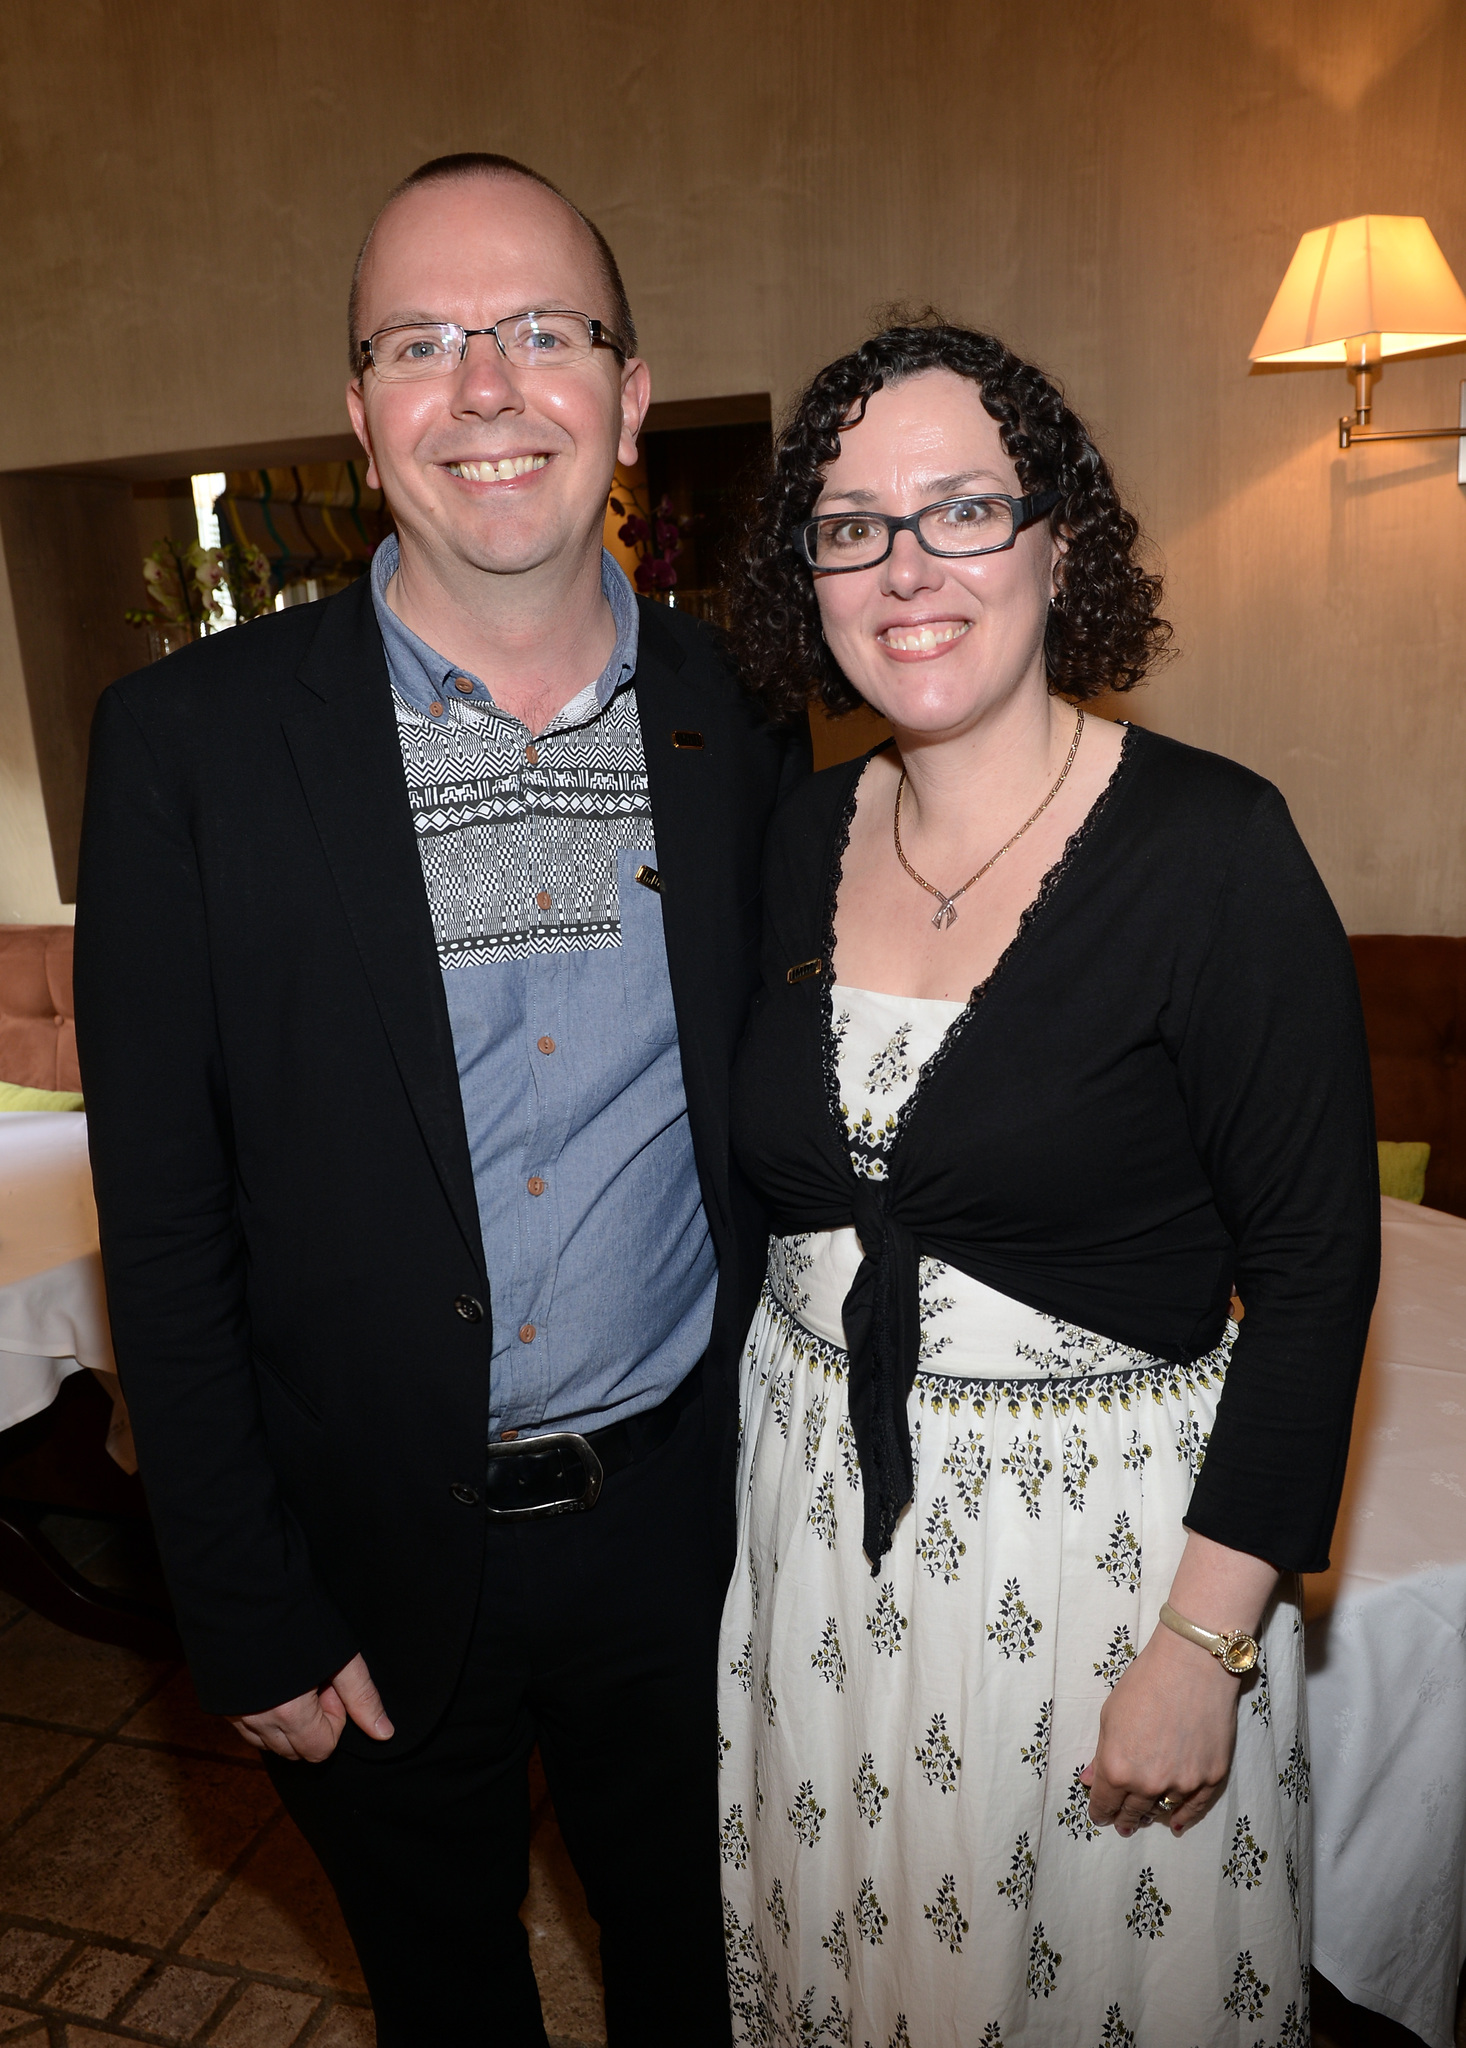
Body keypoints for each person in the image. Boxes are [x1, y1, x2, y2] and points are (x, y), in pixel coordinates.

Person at [74, 153, 805, 2046]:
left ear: (629, 399)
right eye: (422, 342)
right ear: (361, 413)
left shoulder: (743, 719)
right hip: (362, 1555)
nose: (486, 385)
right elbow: (158, 1215)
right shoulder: (187, 751)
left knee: (705, 1989)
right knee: (446, 2008)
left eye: (542, 331)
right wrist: (239, 1601)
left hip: (686, 1533)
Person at [715, 317, 1378, 2046]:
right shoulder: (802, 833)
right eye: (852, 523)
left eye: (960, 509)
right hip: (813, 1524)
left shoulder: (1212, 850)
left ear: (1056, 542)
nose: (905, 565)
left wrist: (1203, 1650)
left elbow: (1315, 1274)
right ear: (812, 576)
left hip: (1095, 1567)